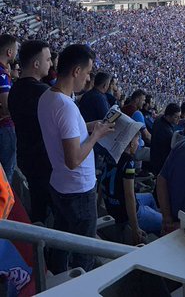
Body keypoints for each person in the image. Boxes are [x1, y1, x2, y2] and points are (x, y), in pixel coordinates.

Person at [39, 44, 115, 272]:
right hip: (78, 190)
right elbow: (72, 160)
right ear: (76, 71)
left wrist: (90, 126)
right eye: (88, 73)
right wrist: (96, 135)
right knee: (84, 249)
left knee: (62, 240)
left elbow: (65, 132)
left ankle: (57, 275)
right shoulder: (66, 107)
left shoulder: (48, 96)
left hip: (60, 184)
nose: (89, 79)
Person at [10, 40, 53, 223]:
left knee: (37, 205)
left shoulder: (15, 88)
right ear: (36, 64)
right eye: (48, 59)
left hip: (25, 156)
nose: (51, 63)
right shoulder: (43, 92)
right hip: (43, 162)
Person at [101, 138, 161, 245]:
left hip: (112, 205)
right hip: (125, 212)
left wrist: (98, 206)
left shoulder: (110, 154)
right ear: (131, 143)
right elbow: (129, 196)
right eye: (137, 140)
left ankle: (150, 221)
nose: (138, 144)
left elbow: (102, 181)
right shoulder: (129, 162)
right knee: (164, 221)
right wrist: (135, 228)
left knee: (150, 197)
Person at [148, 103, 182, 174]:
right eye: (176, 117)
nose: (179, 119)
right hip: (160, 165)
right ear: (168, 116)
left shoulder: (159, 119)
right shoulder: (167, 132)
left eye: (180, 116)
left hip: (154, 158)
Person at [0, 34, 16, 180]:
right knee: (6, 173)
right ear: (9, 52)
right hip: (4, 127)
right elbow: (6, 107)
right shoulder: (2, 75)